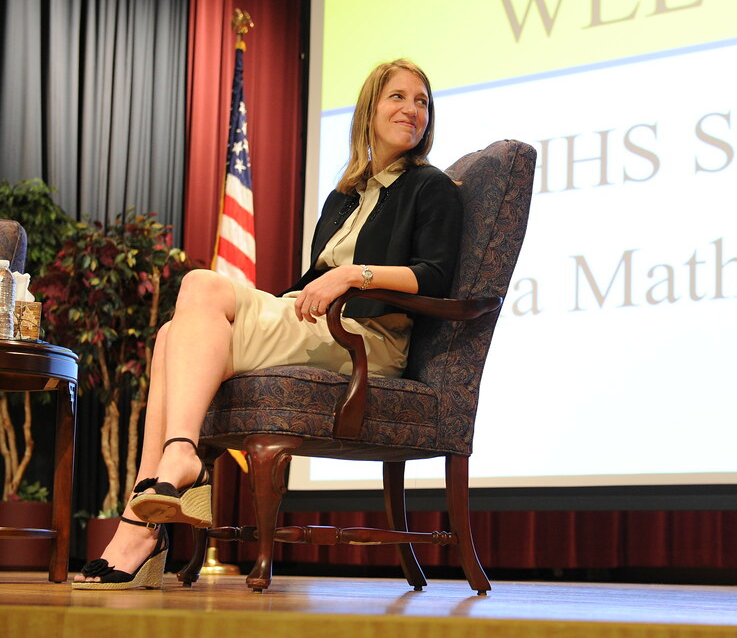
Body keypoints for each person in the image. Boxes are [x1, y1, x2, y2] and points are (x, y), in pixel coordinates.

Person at [72, 59, 462, 590]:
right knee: (172, 335)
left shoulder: (431, 187)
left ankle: (167, 481)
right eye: (398, 97)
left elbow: (435, 277)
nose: (412, 110)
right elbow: (309, 282)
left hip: (368, 339)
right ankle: (144, 521)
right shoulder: (344, 197)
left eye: (422, 101)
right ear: (370, 109)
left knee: (201, 285)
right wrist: (298, 293)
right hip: (317, 324)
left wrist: (354, 274)